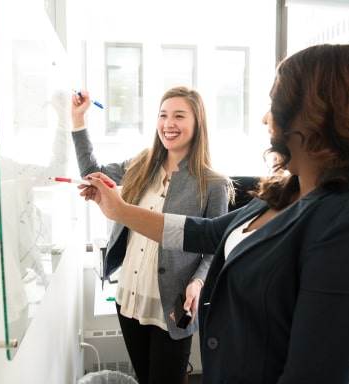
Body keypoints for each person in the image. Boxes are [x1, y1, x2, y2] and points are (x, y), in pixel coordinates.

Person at [78, 44, 349, 384]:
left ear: (316, 114)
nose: (264, 117)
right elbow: (206, 232)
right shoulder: (283, 193)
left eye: (275, 104)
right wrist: (121, 210)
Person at [71, 86, 234, 384]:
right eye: (163, 115)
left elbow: (216, 247)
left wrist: (198, 283)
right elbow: (91, 172)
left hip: (171, 305)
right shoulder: (141, 164)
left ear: (197, 123)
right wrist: (78, 121)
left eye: (179, 116)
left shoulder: (213, 184)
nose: (168, 124)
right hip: (129, 297)